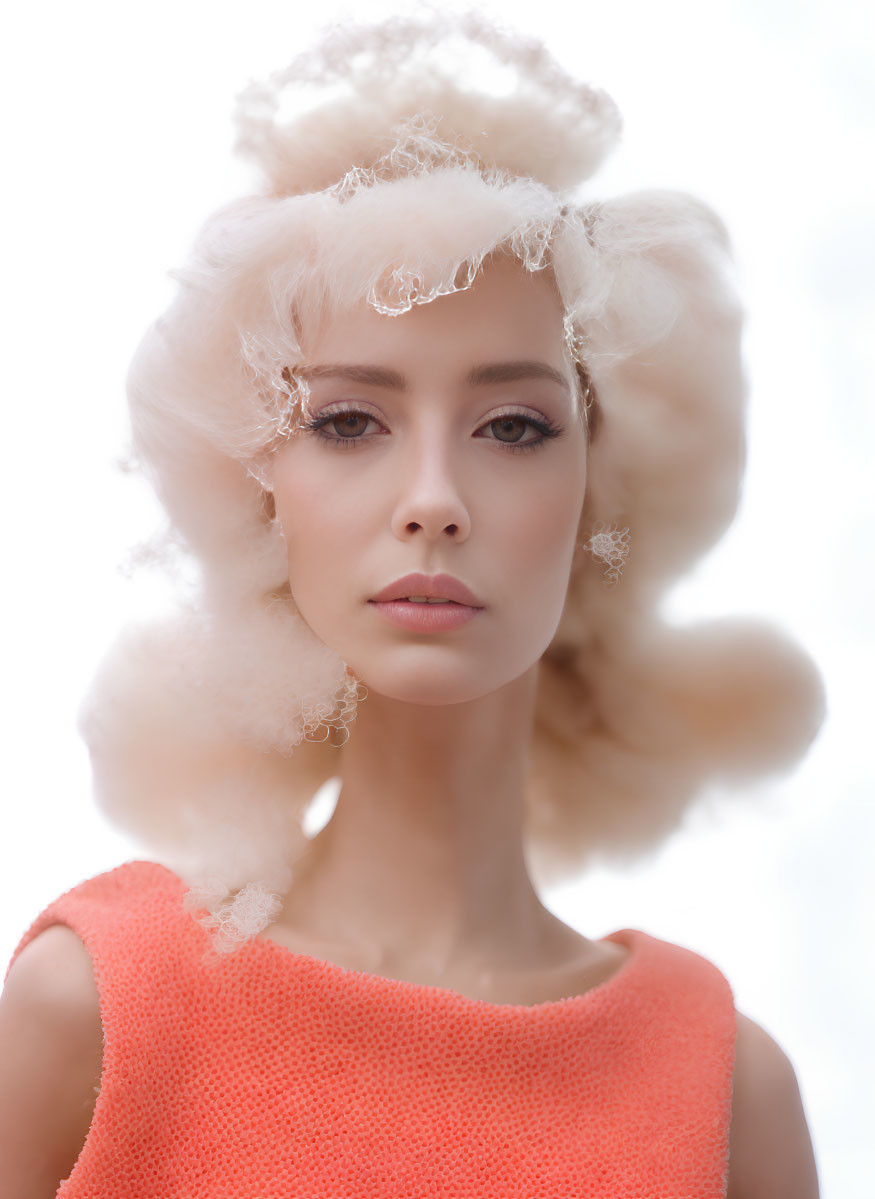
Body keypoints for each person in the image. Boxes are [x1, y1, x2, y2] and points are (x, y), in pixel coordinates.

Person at [0, 9, 824, 1197]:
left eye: (513, 426)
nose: (433, 499)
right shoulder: (98, 1011)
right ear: (259, 483)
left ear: (602, 479)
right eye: (347, 420)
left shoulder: (720, 1089)